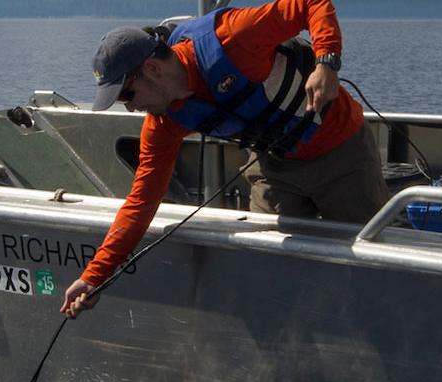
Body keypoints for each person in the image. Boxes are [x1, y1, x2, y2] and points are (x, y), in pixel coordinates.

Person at [61, 0, 389, 318]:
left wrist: (326, 64)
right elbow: (140, 203)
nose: (130, 107)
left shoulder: (234, 38)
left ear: (152, 68)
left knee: (369, 261)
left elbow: (310, 4)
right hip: (274, 166)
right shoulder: (163, 123)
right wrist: (93, 276)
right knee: (268, 266)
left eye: (126, 95)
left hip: (341, 152)